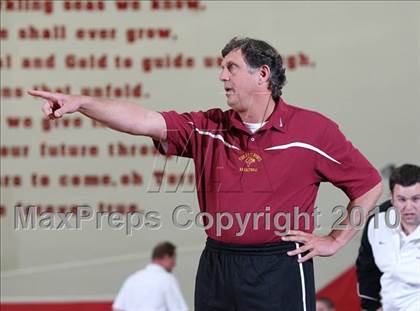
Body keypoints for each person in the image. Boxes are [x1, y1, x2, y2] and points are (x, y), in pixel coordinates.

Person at [29, 37, 382, 311]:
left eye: (231, 67)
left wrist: (335, 239)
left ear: (263, 75)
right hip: (217, 264)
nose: (221, 75)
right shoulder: (207, 126)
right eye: (221, 67)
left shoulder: (313, 131)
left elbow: (368, 186)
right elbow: (143, 121)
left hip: (279, 268)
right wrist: (82, 103)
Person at [356, 164, 420, 311]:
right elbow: (367, 270)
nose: (409, 207)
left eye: (416, 199)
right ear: (391, 198)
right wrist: (372, 307)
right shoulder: (377, 224)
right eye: (402, 199)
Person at [113, 241, 188, 311]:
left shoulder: (132, 279)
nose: (174, 264)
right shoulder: (167, 280)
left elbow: (117, 308)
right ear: (166, 257)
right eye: (173, 259)